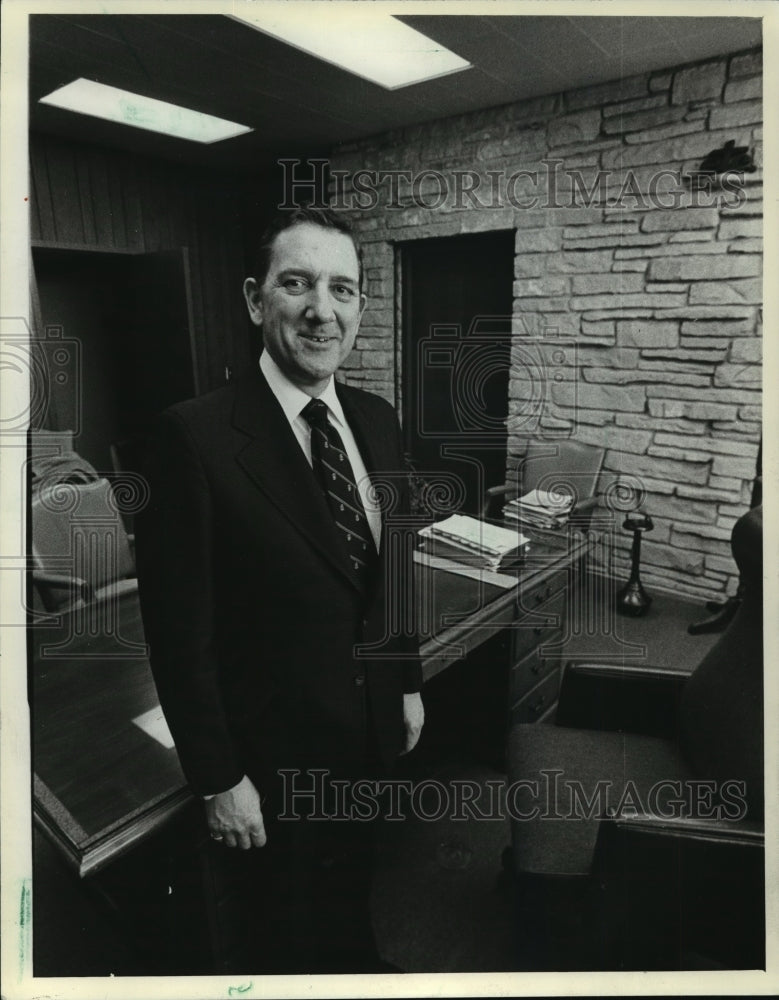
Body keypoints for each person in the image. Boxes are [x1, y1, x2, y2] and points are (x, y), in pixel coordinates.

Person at [135, 206, 424, 974]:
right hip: (271, 755)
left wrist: (405, 681)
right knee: (281, 927)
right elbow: (178, 633)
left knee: (351, 883)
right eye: (295, 283)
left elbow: (389, 565)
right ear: (255, 299)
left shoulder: (377, 419)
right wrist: (218, 776)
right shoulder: (192, 437)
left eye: (342, 289)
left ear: (361, 305)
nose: (320, 310)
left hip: (365, 728)